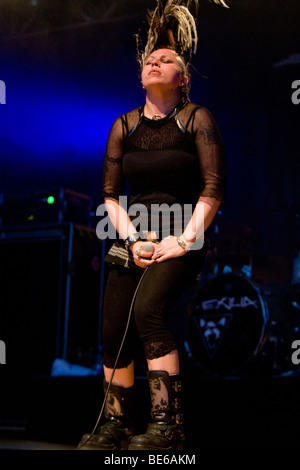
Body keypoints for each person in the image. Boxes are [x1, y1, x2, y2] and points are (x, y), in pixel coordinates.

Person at [78, 0, 227, 451]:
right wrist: (134, 238)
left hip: (183, 236)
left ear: (182, 78)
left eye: (166, 60)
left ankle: (167, 426)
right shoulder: (123, 125)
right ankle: (116, 423)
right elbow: (109, 195)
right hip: (136, 236)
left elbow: (214, 187)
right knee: (111, 327)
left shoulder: (197, 119)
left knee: (148, 313)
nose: (154, 62)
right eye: (149, 59)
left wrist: (182, 242)